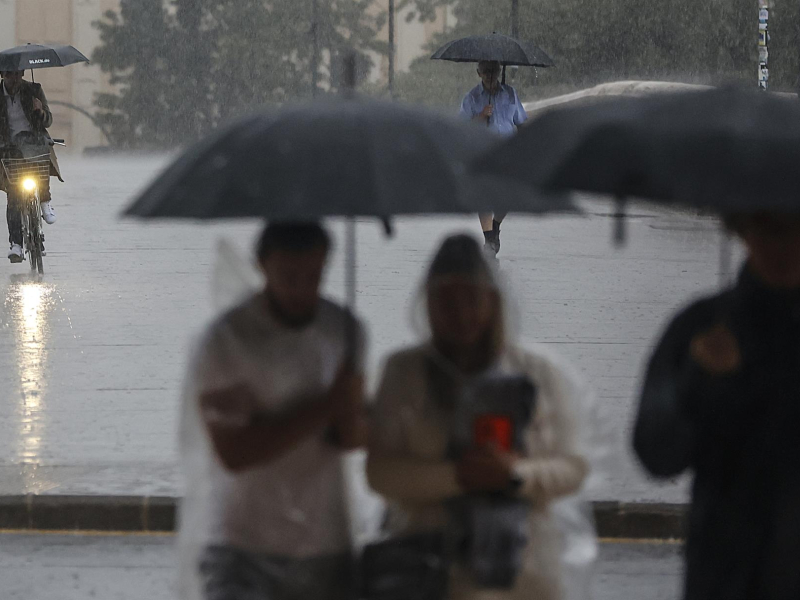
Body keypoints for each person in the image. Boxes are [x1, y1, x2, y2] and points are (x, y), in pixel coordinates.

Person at [367, 234, 591, 600]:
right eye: (446, 301)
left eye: (471, 299)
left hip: (524, 571)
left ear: (494, 302)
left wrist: (514, 474)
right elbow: (381, 472)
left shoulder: (536, 372)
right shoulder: (405, 372)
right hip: (428, 572)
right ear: (428, 305)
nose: (460, 314)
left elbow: (573, 466)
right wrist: (458, 477)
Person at [183, 222, 368, 600]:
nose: (302, 289)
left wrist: (354, 411)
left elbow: (351, 438)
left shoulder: (345, 331)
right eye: (289, 277)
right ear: (262, 267)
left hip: (325, 539)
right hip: (242, 540)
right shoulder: (226, 340)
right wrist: (328, 405)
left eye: (314, 276)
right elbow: (235, 453)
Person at [634, 212, 800, 599]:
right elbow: (656, 452)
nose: (787, 246)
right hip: (724, 572)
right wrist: (700, 378)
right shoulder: (702, 327)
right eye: (772, 229)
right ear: (743, 230)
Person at [459, 61, 528, 258]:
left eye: (494, 71)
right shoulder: (472, 98)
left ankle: (495, 225)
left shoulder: (510, 94)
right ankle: (489, 238)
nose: (490, 75)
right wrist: (481, 116)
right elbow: (462, 126)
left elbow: (521, 121)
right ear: (478, 73)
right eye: (486, 71)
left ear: (499, 71)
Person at [0, 69, 61, 262]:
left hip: (34, 142)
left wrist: (40, 111)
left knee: (42, 163)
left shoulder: (33, 90)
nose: (15, 78)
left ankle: (45, 201)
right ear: (3, 75)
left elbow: (48, 120)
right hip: (9, 147)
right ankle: (16, 244)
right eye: (11, 75)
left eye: (19, 74)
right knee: (14, 195)